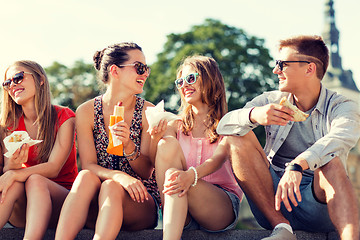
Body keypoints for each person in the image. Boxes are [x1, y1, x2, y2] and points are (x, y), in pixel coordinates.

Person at [217, 35, 360, 240]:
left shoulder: (342, 106)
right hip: (274, 202)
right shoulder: (270, 100)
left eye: (282, 64)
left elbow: (340, 137)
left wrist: (298, 164)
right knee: (236, 137)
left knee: (332, 163)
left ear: (309, 69)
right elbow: (223, 126)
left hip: (319, 205)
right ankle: (282, 228)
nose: (276, 70)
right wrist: (253, 114)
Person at [55, 42, 160, 240]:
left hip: (139, 201)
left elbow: (146, 171)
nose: (145, 73)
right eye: (140, 67)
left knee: (110, 187)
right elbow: (88, 165)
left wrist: (128, 145)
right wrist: (118, 176)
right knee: (86, 177)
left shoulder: (148, 111)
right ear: (115, 71)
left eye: (147, 68)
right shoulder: (86, 111)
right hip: (98, 201)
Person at [151, 55, 243, 240]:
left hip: (219, 207)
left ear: (210, 80)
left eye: (191, 78)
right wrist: (154, 138)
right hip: (180, 205)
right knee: (165, 145)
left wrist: (189, 176)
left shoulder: (229, 124)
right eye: (180, 81)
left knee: (178, 178)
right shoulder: (174, 125)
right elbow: (160, 160)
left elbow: (217, 160)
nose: (185, 85)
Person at [0, 60, 78, 239]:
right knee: (14, 184)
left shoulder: (64, 117)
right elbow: (8, 173)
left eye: (18, 78)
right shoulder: (9, 126)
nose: (13, 85)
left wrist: (14, 174)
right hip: (24, 208)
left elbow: (53, 168)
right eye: (7, 83)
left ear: (40, 79)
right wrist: (12, 167)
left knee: (35, 179)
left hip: (63, 204)